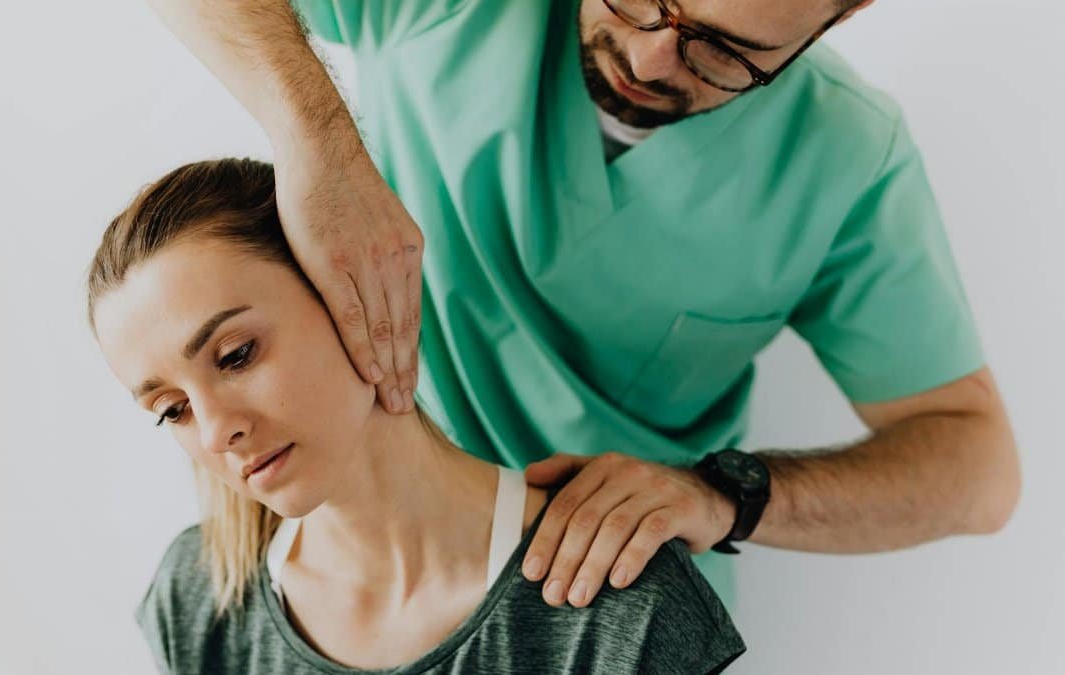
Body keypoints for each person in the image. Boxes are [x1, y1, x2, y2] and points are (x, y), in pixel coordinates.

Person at [143, 0, 1021, 613]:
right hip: (360, 559)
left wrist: (723, 498)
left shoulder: (848, 161)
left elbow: (978, 470)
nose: (648, 59)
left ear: (847, 12)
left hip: (590, 600)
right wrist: (315, 139)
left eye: (724, 50)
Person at [86, 157, 747, 673]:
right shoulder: (200, 598)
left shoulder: (615, 596)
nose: (214, 430)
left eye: (235, 356)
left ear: (358, 294)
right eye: (171, 409)